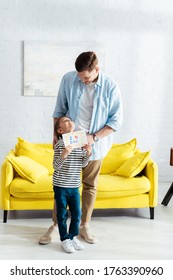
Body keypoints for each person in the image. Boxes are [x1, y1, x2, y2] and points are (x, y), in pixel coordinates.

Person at [39, 51, 123, 245]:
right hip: (69, 144)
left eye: (86, 77)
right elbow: (59, 109)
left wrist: (94, 138)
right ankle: (55, 225)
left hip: (94, 145)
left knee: (90, 186)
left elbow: (116, 121)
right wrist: (55, 135)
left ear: (97, 70)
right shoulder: (68, 79)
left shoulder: (110, 87)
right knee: (61, 185)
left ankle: (84, 225)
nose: (82, 80)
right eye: (79, 76)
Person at [53, 116, 92, 253]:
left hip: (75, 186)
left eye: (70, 120)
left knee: (77, 214)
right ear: (60, 130)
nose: (69, 121)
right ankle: (64, 239)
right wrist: (64, 154)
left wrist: (87, 154)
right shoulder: (59, 145)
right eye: (65, 121)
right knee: (62, 214)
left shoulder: (79, 144)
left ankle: (72, 237)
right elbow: (55, 166)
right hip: (61, 186)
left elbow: (82, 164)